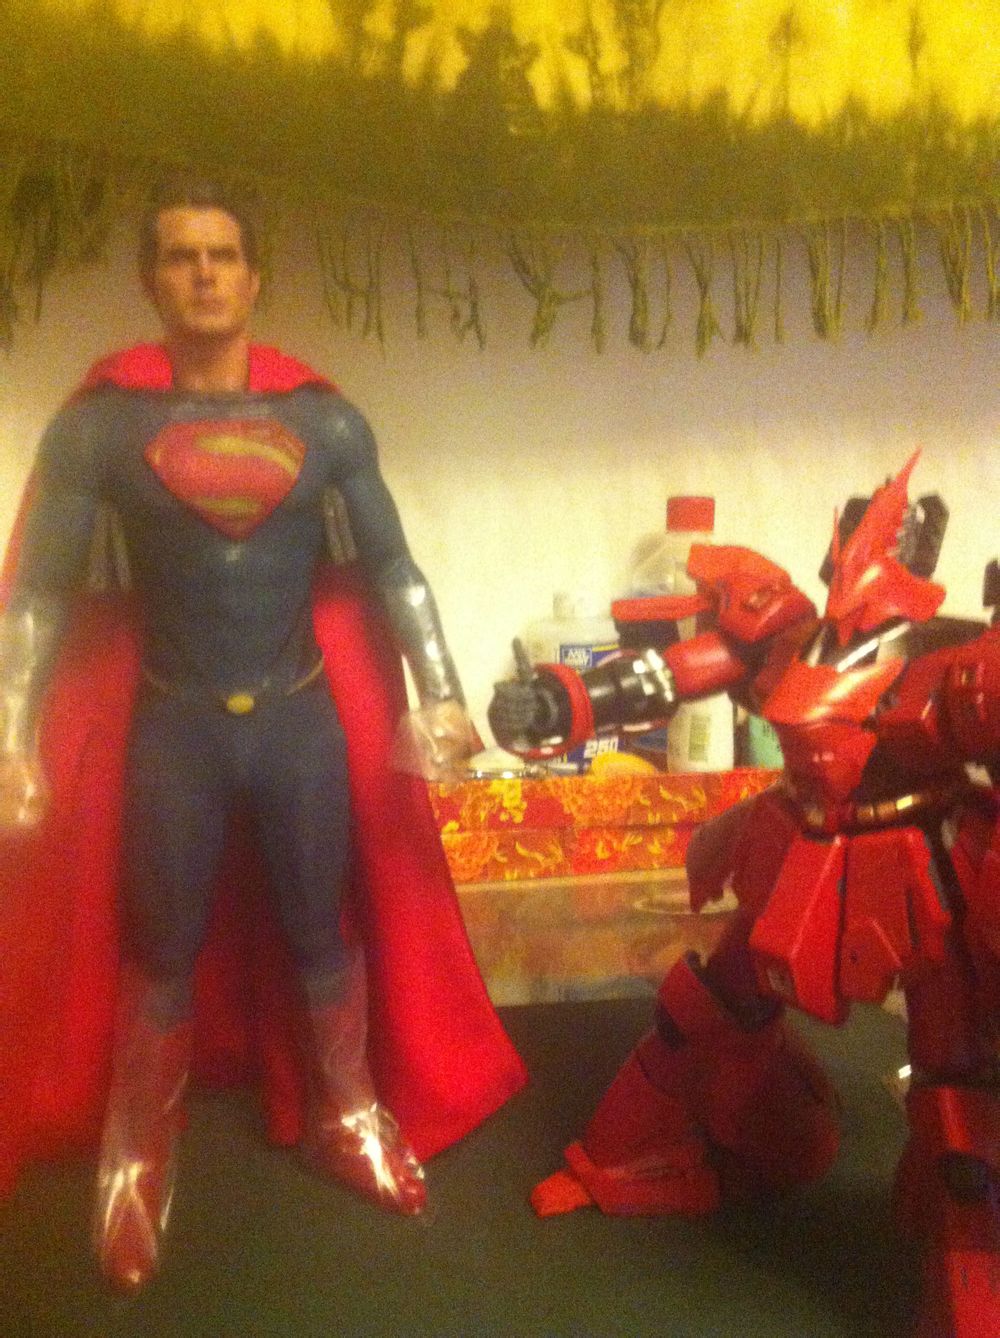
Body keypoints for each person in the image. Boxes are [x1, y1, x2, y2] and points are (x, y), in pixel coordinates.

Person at [0, 177, 525, 1292]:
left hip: (297, 720)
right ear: (151, 280)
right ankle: (137, 1154)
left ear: (254, 277)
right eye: (181, 256)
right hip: (175, 726)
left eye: (223, 255)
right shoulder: (100, 430)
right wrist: (12, 730)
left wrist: (439, 693)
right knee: (160, 946)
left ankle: (348, 1115)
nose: (203, 275)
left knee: (319, 927)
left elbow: (394, 569)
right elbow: (39, 594)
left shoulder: (325, 423)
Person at [490, 457, 1000, 1338]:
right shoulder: (790, 637)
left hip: (915, 869)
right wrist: (561, 701)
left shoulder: (949, 668)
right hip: (797, 846)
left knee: (953, 1076)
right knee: (710, 1006)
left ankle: (965, 1253)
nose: (859, 564)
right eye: (853, 542)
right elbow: (673, 673)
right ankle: (653, 1155)